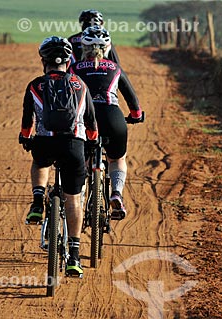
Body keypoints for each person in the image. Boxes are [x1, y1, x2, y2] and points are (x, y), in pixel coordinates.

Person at [19, 36, 98, 277]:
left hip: (45, 143)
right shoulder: (80, 85)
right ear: (68, 60)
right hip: (74, 145)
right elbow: (91, 122)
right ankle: (74, 255)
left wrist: (25, 137)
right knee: (73, 200)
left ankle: (36, 200)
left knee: (39, 161)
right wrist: (92, 143)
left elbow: (27, 121)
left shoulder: (35, 85)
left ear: (43, 60)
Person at [69, 25, 144, 219]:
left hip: (85, 120)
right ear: (107, 48)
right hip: (113, 118)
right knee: (117, 159)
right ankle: (116, 193)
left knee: (82, 159)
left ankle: (81, 194)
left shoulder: (74, 68)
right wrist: (136, 115)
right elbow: (133, 100)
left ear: (82, 48)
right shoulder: (115, 68)